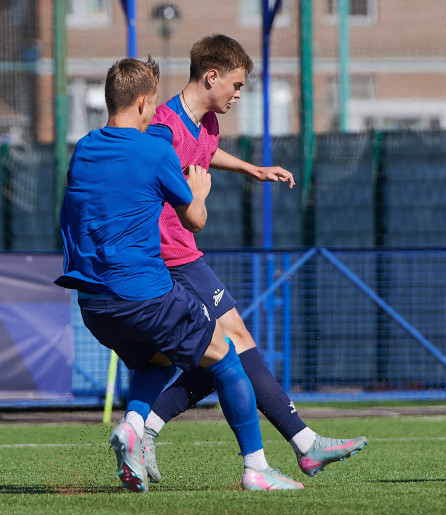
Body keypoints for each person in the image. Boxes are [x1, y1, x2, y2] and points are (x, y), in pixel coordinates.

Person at [56, 56, 303, 492]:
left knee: (160, 358)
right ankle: (257, 470)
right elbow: (194, 220)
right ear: (143, 102)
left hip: (93, 305)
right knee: (225, 356)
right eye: (152, 107)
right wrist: (200, 190)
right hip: (145, 294)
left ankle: (133, 426)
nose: (155, 115)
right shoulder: (155, 150)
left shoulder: (85, 148)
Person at [142, 34, 366, 485]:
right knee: (235, 343)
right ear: (212, 76)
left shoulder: (204, 124)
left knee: (223, 356)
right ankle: (298, 447)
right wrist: (194, 202)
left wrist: (252, 169)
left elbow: (205, 153)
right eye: (237, 85)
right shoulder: (163, 127)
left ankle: (144, 429)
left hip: (184, 252)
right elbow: (169, 190)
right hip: (168, 256)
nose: (239, 94)